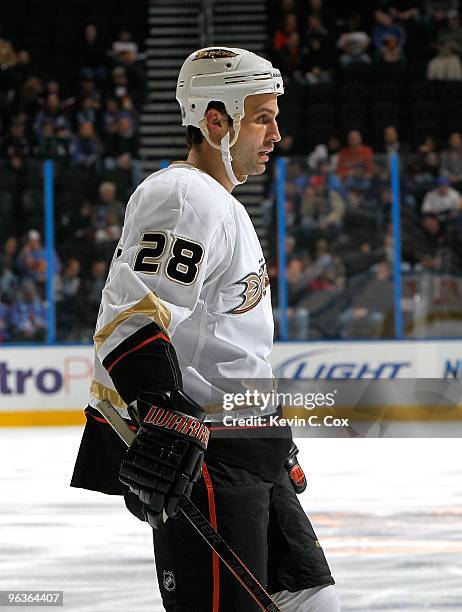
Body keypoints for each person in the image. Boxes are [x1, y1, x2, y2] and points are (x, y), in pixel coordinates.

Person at [71, 46, 340, 611]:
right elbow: (132, 315)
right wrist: (162, 404)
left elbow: (228, 343)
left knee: (311, 603)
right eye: (263, 117)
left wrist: (272, 436)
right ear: (216, 121)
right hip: (210, 455)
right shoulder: (184, 195)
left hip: (248, 444)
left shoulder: (222, 203)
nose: (275, 134)